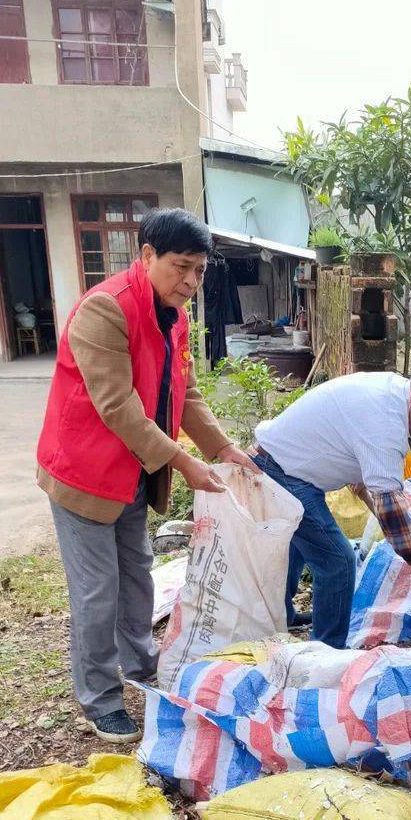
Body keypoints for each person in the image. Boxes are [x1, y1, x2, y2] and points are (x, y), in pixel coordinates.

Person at [36, 208, 256, 743]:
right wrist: (186, 462)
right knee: (97, 591)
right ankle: (99, 698)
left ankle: (140, 665)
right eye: (181, 267)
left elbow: (186, 393)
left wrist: (224, 448)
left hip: (134, 473)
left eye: (200, 270)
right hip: (85, 475)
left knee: (136, 575)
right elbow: (120, 408)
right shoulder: (104, 311)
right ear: (147, 256)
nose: (191, 281)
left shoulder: (175, 316)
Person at [251, 360, 411, 649]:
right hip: (284, 473)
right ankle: (327, 651)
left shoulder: (391, 391)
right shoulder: (387, 423)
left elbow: (350, 431)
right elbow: (390, 507)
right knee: (338, 562)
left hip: (281, 463)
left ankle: (281, 615)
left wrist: (361, 474)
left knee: (297, 543)